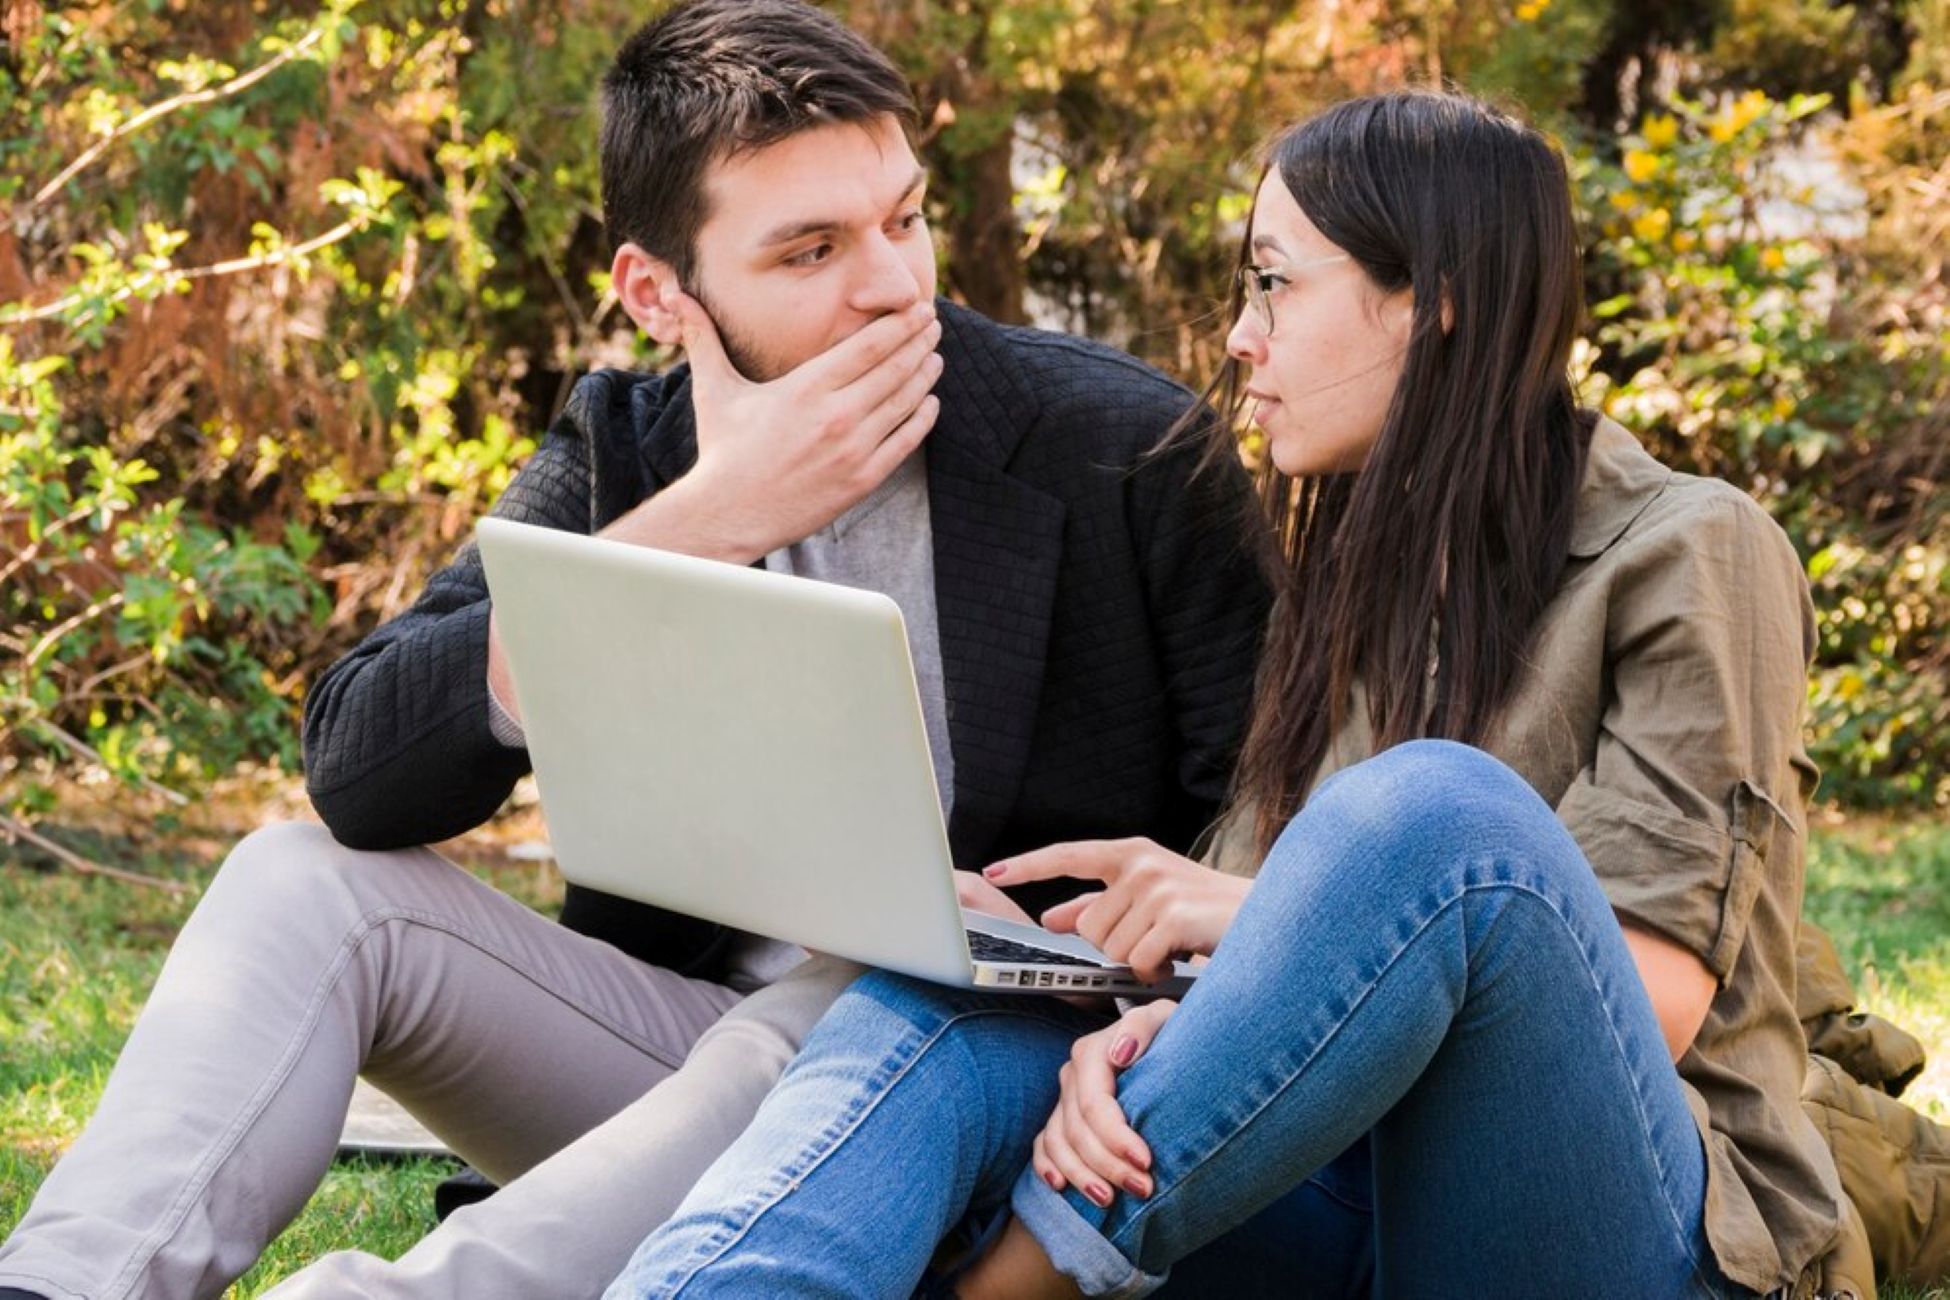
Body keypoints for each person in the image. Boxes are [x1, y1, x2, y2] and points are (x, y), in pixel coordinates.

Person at [0, 4, 1270, 1298]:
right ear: (659, 294)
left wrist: (1104, 984)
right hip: (672, 1077)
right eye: (811, 249)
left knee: (855, 997)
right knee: (299, 882)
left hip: (988, 1091)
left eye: (904, 218)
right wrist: (709, 517)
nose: (893, 283)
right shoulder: (630, 449)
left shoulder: (1122, 444)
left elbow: (1283, 850)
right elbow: (360, 768)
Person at [606, 89, 1858, 1299]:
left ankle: (1008, 1284)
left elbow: (1654, 999)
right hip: (1355, 1189)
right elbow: (1266, 996)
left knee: (1441, 817)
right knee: (946, 1005)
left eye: (1274, 283)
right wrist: (1125, 1033)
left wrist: (1255, 916)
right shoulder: (1351, 580)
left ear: (1435, 300)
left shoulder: (1691, 548)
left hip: (1627, 1228)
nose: (1240, 338)